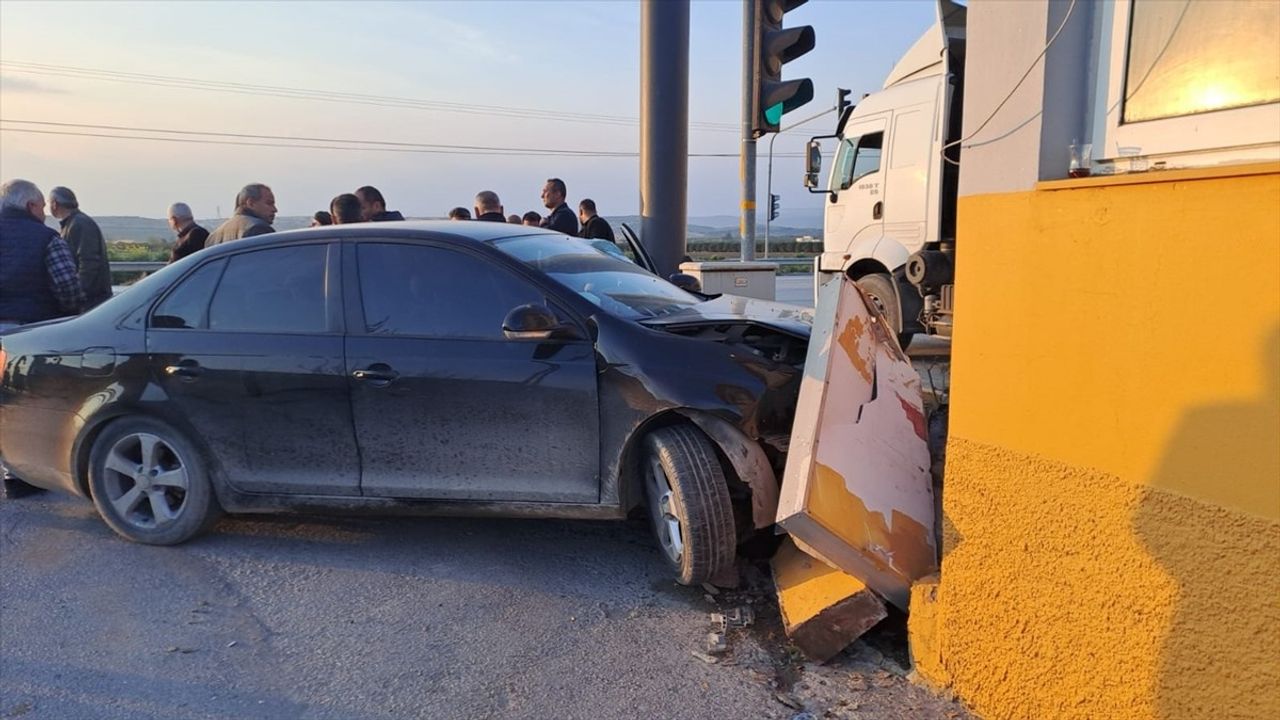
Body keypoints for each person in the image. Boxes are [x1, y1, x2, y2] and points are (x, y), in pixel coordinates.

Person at [0, 179, 85, 328]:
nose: (44, 214)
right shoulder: (48, 238)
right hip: (32, 329)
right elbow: (68, 288)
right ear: (30, 206)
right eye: (42, 207)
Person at [48, 186, 112, 308]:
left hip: (91, 301)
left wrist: (78, 293)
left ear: (54, 204)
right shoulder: (75, 223)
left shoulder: (79, 224)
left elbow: (89, 262)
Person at [206, 183, 276, 245]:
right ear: (251, 203)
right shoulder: (258, 229)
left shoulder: (213, 237)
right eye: (269, 203)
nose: (275, 209)